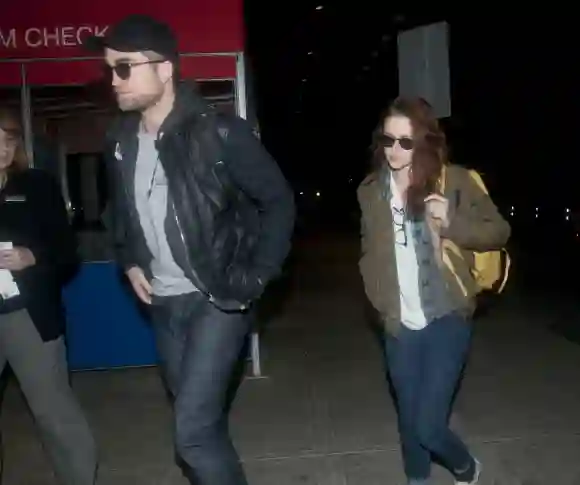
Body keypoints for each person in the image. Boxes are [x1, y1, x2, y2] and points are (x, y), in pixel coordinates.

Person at [85, 14, 295, 485]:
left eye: (125, 68)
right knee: (202, 426)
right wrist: (130, 258)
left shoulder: (219, 133)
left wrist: (257, 276)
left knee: (192, 435)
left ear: (165, 70)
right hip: (164, 304)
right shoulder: (120, 141)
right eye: (109, 69)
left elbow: (278, 202)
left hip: (217, 297)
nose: (113, 80)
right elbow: (119, 213)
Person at [357, 97, 510, 485]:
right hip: (399, 326)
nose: (394, 150)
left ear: (424, 143)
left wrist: (452, 222)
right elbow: (368, 250)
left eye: (405, 142)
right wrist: (378, 300)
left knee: (428, 424)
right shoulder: (371, 191)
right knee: (409, 419)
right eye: (388, 140)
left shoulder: (454, 181)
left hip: (447, 317)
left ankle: (465, 466)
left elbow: (499, 230)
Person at [0, 107, 97, 485]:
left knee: (54, 412)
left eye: (9, 141)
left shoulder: (37, 186)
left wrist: (32, 256)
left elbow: (66, 251)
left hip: (29, 316)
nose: (4, 148)